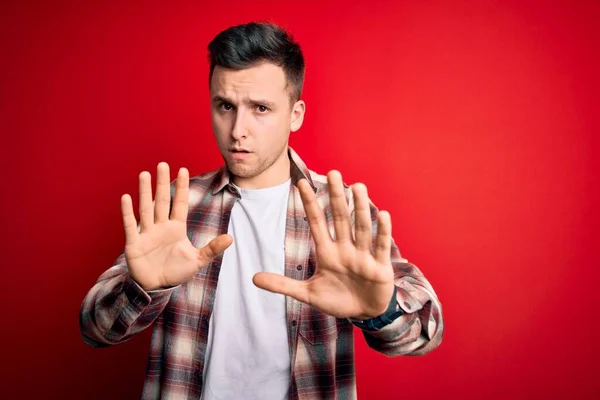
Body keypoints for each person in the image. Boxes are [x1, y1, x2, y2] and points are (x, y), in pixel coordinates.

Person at [79, 21, 444, 400]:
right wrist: (143, 289)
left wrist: (380, 311)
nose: (238, 129)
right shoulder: (177, 208)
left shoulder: (341, 210)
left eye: (261, 108)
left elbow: (426, 331)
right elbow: (94, 330)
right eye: (225, 106)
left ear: (296, 114)